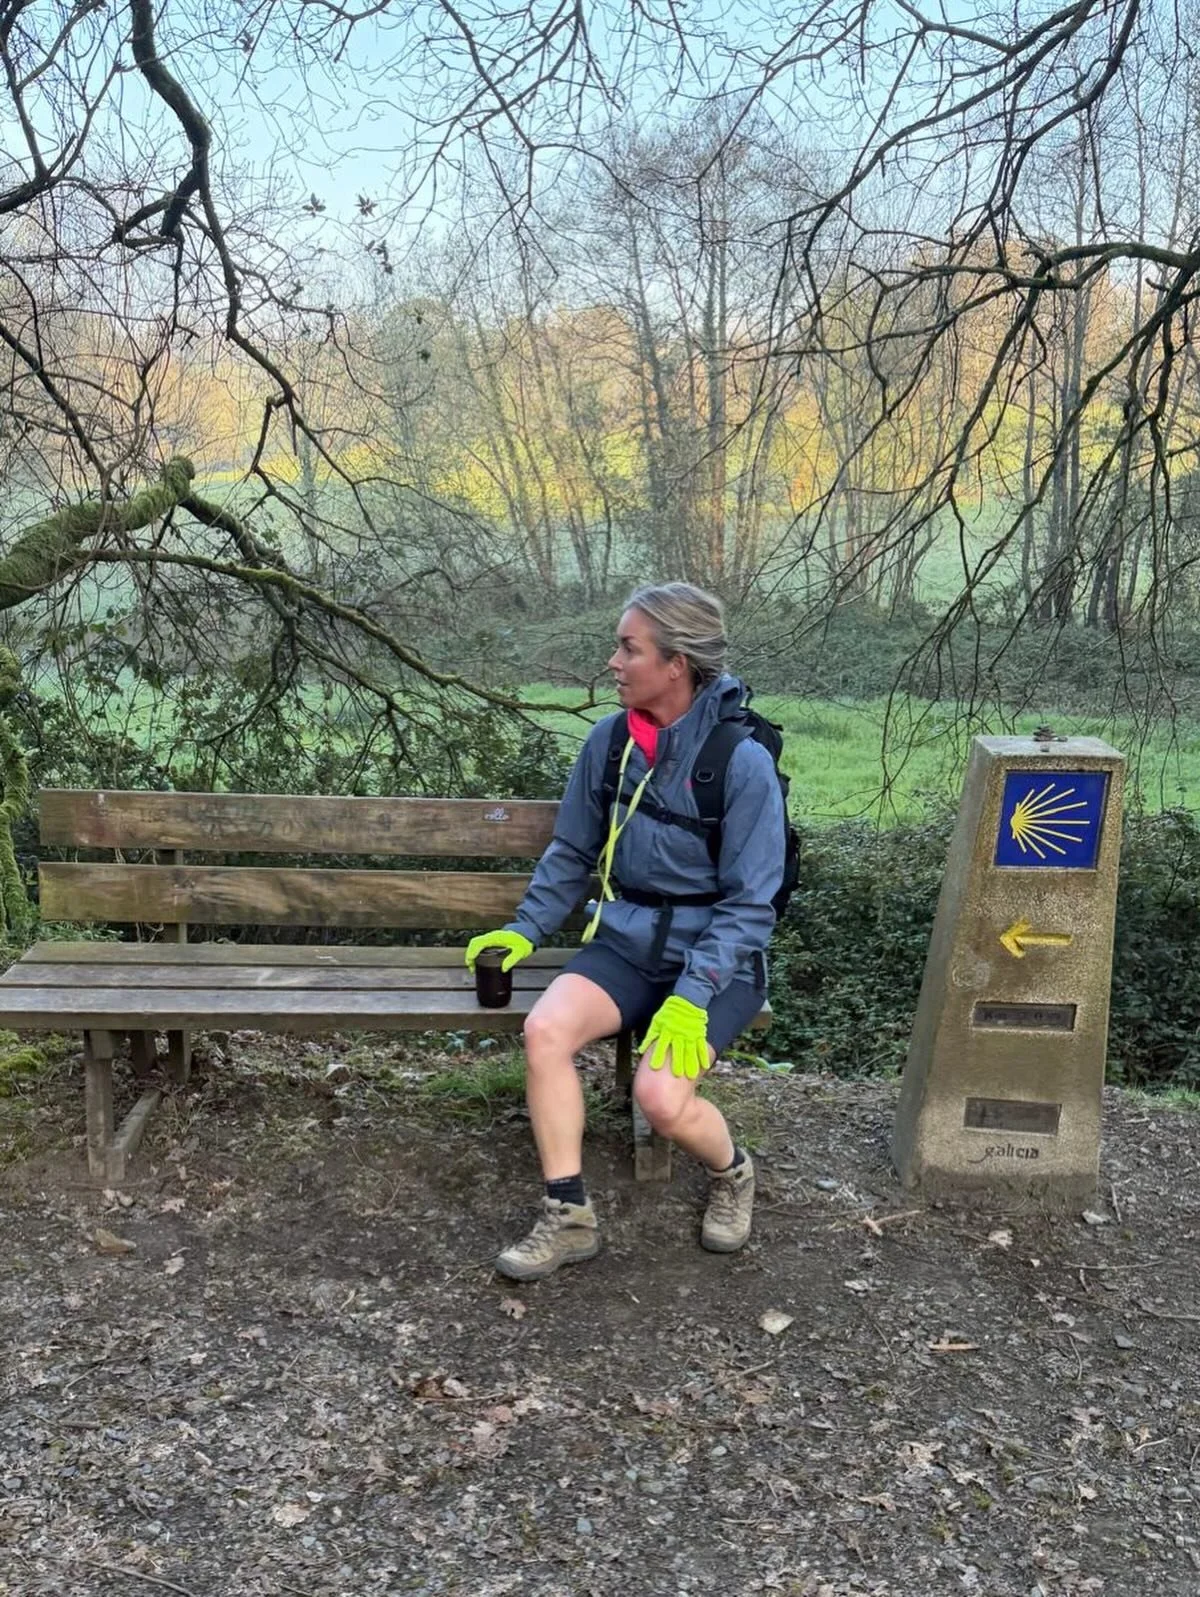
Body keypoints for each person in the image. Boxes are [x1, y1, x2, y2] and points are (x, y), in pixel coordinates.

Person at [465, 582, 785, 1281]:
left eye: (628, 647)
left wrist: (693, 991)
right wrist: (527, 928)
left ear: (677, 663)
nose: (612, 661)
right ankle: (569, 1215)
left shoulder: (742, 761)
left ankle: (734, 1172)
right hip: (626, 943)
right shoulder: (610, 743)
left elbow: (751, 903)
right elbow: (573, 850)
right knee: (545, 1031)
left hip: (715, 958)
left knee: (661, 1099)